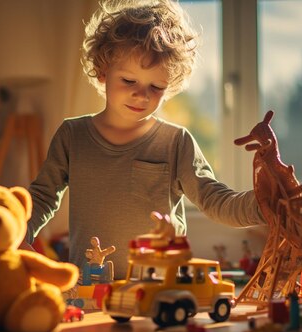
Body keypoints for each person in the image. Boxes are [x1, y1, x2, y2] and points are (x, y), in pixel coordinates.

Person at [26, 0, 265, 279]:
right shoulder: (71, 135)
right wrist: (17, 232)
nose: (142, 95)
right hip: (92, 287)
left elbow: (216, 200)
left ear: (170, 85)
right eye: (129, 81)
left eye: (156, 86)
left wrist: (265, 205)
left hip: (161, 288)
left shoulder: (176, 142)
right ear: (103, 72)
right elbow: (41, 198)